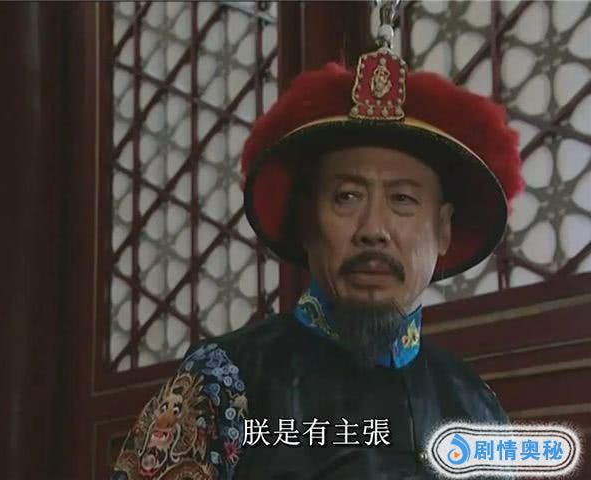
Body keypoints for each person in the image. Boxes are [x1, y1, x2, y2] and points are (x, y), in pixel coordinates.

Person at [111, 19, 523, 480]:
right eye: (347, 196)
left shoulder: (475, 405)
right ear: (307, 222)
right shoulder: (225, 381)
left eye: (403, 200)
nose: (373, 230)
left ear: (443, 229)